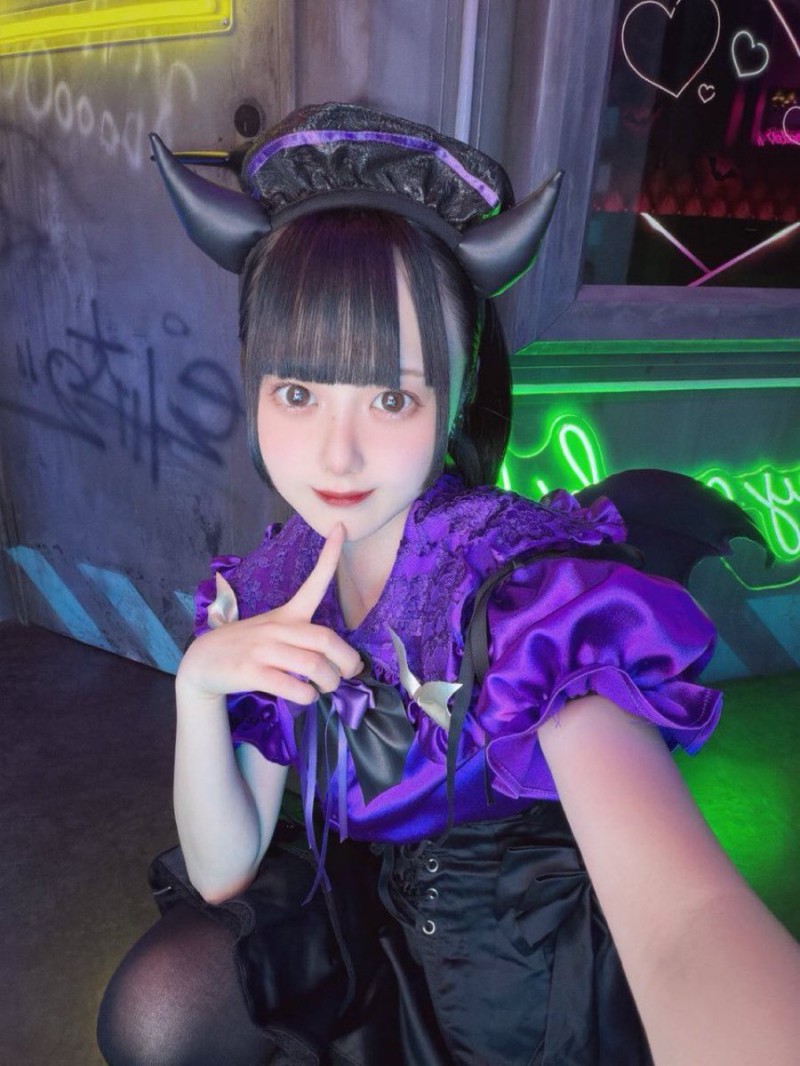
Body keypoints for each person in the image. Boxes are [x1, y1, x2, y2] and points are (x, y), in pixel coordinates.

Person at [97, 103, 800, 1066]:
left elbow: (686, 923)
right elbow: (225, 871)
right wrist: (199, 687)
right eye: (297, 393)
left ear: (455, 390)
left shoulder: (526, 594)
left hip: (526, 995)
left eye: (392, 396)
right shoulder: (275, 580)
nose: (336, 454)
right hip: (367, 935)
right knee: (158, 1015)